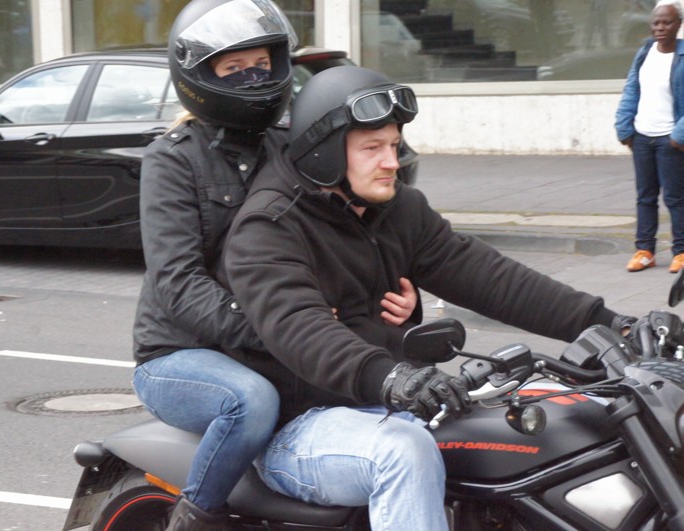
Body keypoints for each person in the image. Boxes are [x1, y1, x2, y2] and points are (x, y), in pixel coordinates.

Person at [223, 65, 633, 530]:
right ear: (324, 153)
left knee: (556, 426)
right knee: (404, 453)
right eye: (372, 148)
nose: (392, 162)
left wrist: (611, 324)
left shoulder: (393, 207)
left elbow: (490, 277)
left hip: (391, 403)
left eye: (394, 145)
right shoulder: (270, 226)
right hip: (302, 425)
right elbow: (300, 329)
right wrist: (393, 377)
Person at [130, 1, 416, 529]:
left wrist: (398, 295)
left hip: (275, 342)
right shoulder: (173, 159)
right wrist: (281, 328)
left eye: (261, 64)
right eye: (234, 68)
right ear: (200, 76)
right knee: (252, 401)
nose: (253, 78)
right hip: (182, 351)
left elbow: (346, 231)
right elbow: (177, 282)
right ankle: (197, 516)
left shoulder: (290, 147)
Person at [615, 0, 684, 273]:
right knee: (645, 196)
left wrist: (679, 136)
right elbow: (631, 88)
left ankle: (681, 251)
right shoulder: (645, 51)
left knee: (676, 198)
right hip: (642, 137)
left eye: (667, 22)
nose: (660, 27)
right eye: (656, 23)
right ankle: (645, 251)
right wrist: (624, 128)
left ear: (678, 25)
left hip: (670, 139)